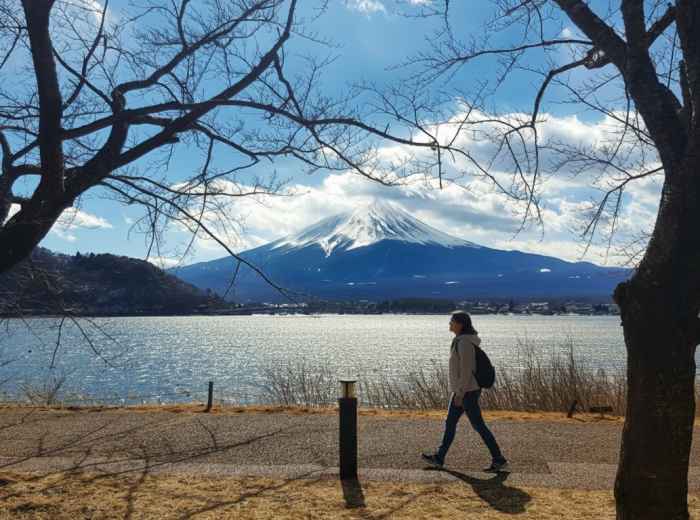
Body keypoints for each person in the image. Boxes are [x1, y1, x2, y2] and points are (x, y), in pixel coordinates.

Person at [422, 310, 508, 472]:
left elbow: (467, 370)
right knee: (450, 423)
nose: (449, 324)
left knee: (479, 426)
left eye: (452, 321)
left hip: (467, 392)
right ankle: (439, 458)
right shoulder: (460, 340)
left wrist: (460, 393)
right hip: (463, 390)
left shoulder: (464, 343)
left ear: (460, 324)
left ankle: (499, 459)